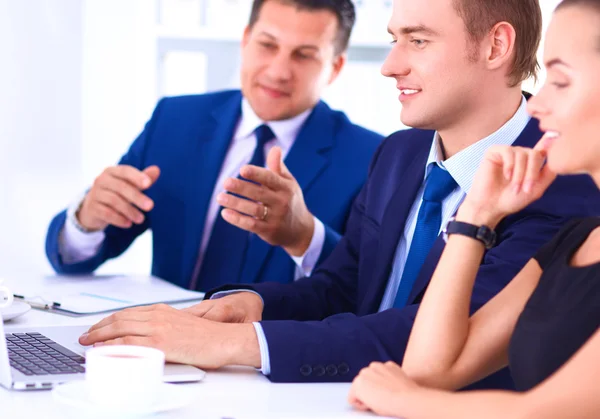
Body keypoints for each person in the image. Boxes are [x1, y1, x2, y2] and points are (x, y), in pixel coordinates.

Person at [78, 0, 600, 390]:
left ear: (495, 46)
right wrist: (250, 308)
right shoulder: (398, 153)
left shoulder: (565, 182)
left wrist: (234, 345)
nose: (390, 65)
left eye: (417, 41)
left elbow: (432, 338)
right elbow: (344, 287)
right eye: (395, 39)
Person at [348, 1, 600, 417]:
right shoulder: (576, 242)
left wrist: (408, 401)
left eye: (560, 80)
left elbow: (545, 411)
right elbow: (430, 370)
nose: (535, 106)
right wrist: (476, 216)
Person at [44, 0, 383, 291]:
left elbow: (370, 289)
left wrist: (306, 236)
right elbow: (74, 259)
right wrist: (87, 218)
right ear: (245, 41)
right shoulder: (174, 120)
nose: (279, 71)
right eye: (267, 45)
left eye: (304, 55)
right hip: (165, 348)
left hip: (271, 358)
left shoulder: (372, 158)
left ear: (335, 67)